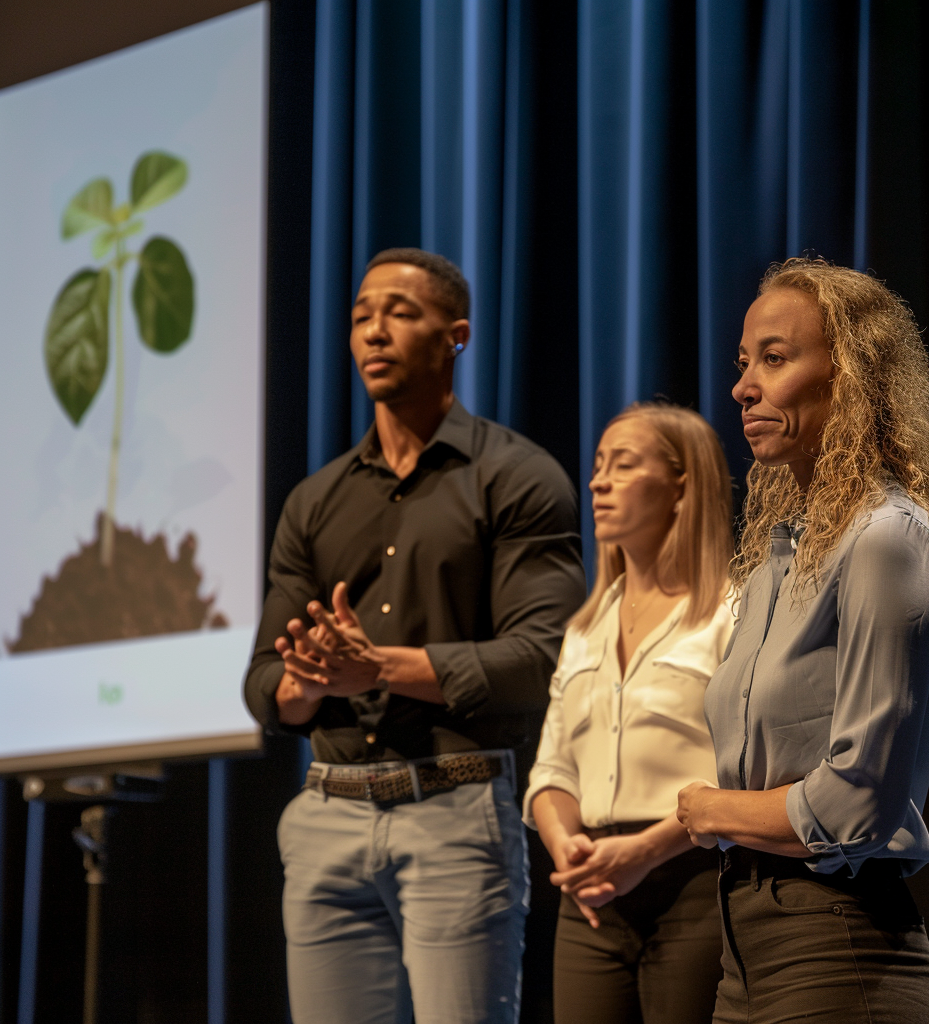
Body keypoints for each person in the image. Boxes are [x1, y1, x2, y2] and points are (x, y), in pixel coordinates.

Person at [244, 248, 587, 1024]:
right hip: (327, 817)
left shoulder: (517, 477)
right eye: (362, 315)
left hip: (455, 809)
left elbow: (545, 661)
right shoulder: (315, 500)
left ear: (455, 335)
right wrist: (309, 678)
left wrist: (378, 668)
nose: (374, 331)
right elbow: (267, 684)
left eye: (399, 313)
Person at [676, 258, 929, 1023]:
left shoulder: (885, 540)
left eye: (775, 359)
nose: (744, 388)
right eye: (744, 365)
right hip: (746, 949)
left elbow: (857, 801)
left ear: (852, 378)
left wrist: (713, 811)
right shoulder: (781, 555)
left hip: (842, 949)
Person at [524, 403, 736, 1024]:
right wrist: (568, 848)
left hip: (692, 877)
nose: (597, 482)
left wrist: (644, 852)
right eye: (597, 467)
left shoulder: (734, 610)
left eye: (622, 465)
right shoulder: (586, 626)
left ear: (681, 486)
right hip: (592, 892)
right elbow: (552, 771)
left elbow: (746, 769)